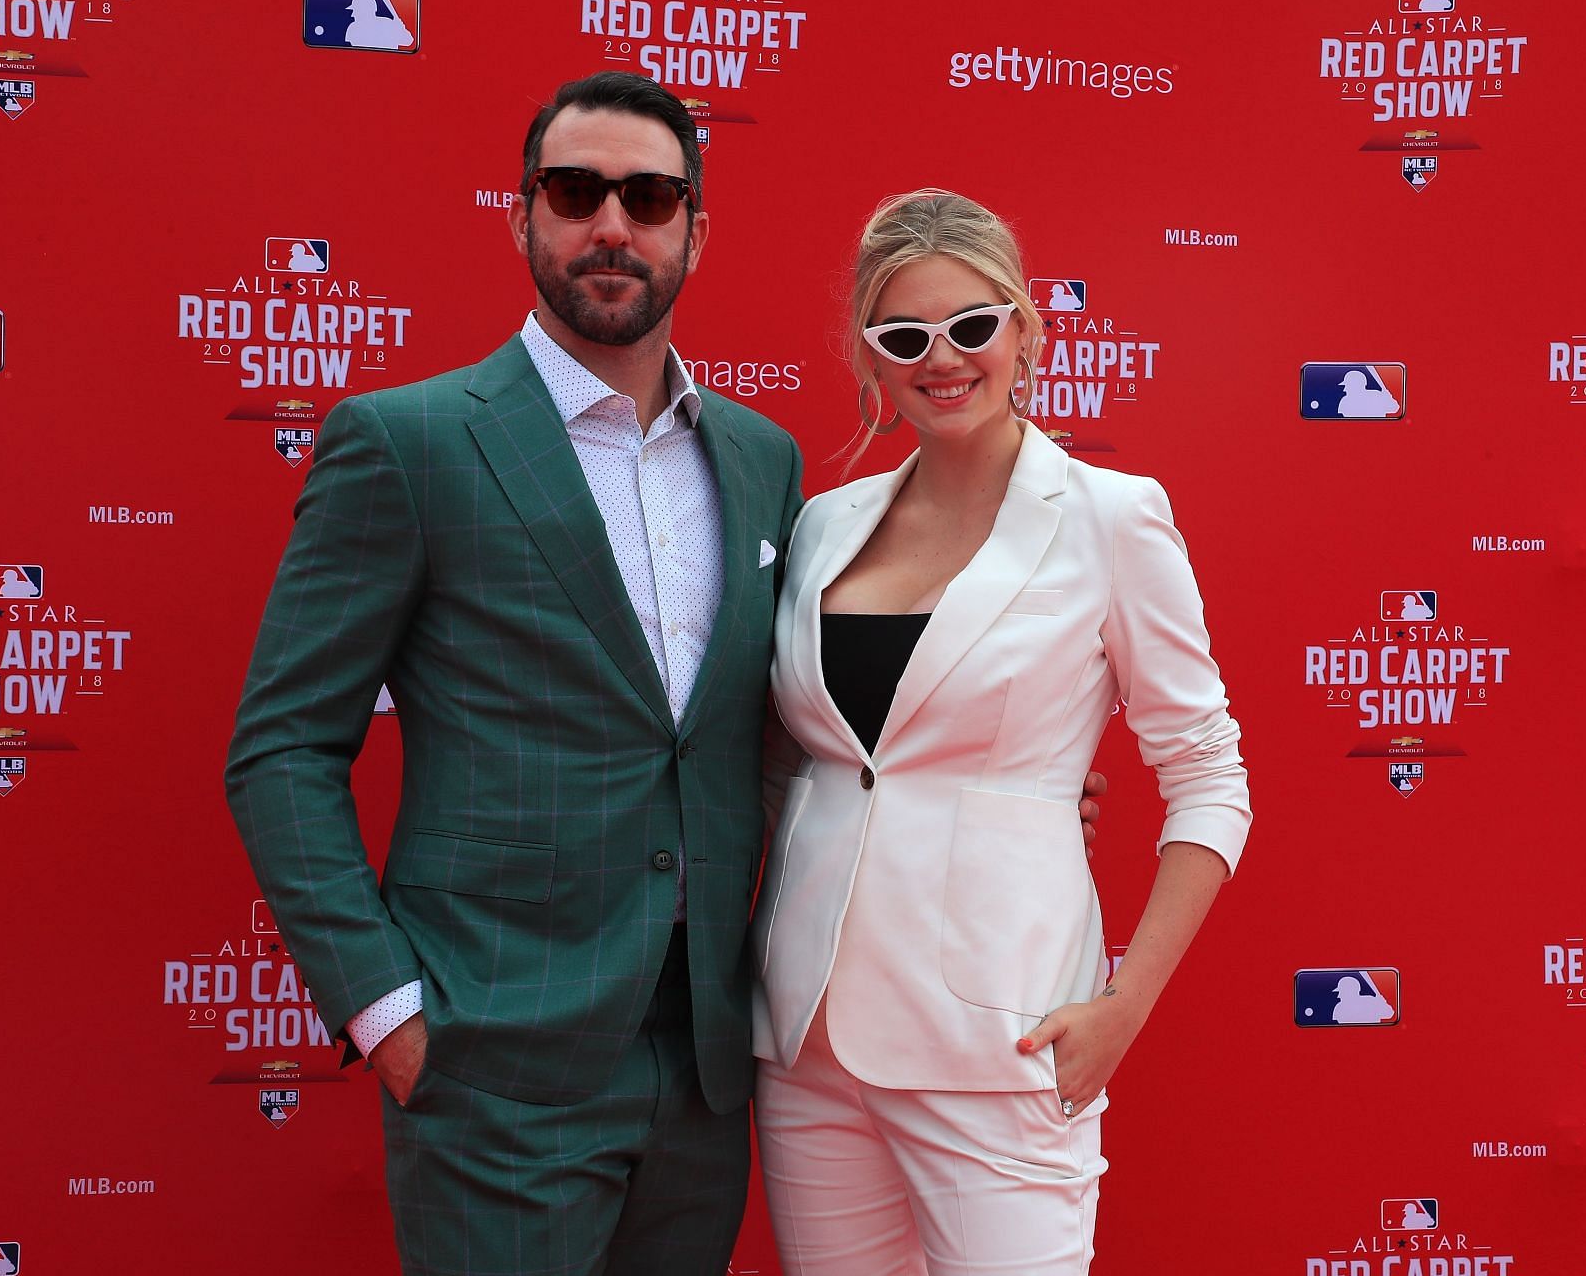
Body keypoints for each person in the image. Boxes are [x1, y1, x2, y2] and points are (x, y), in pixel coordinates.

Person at [225, 72, 804, 1276]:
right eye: (575, 189)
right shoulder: (410, 443)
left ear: (697, 227)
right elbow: (282, 748)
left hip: (702, 1071)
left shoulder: (761, 459)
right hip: (493, 1071)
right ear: (521, 213)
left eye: (649, 197)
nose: (612, 225)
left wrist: (991, 784)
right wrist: (387, 1013)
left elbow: (772, 731)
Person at [751, 190, 1251, 1275]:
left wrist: (1122, 1007)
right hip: (807, 1042)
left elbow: (1209, 773)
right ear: (871, 358)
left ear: (1025, 328)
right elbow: (811, 757)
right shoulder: (822, 524)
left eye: (973, 325)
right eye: (905, 336)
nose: (945, 357)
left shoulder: (1113, 516)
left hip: (1001, 1040)